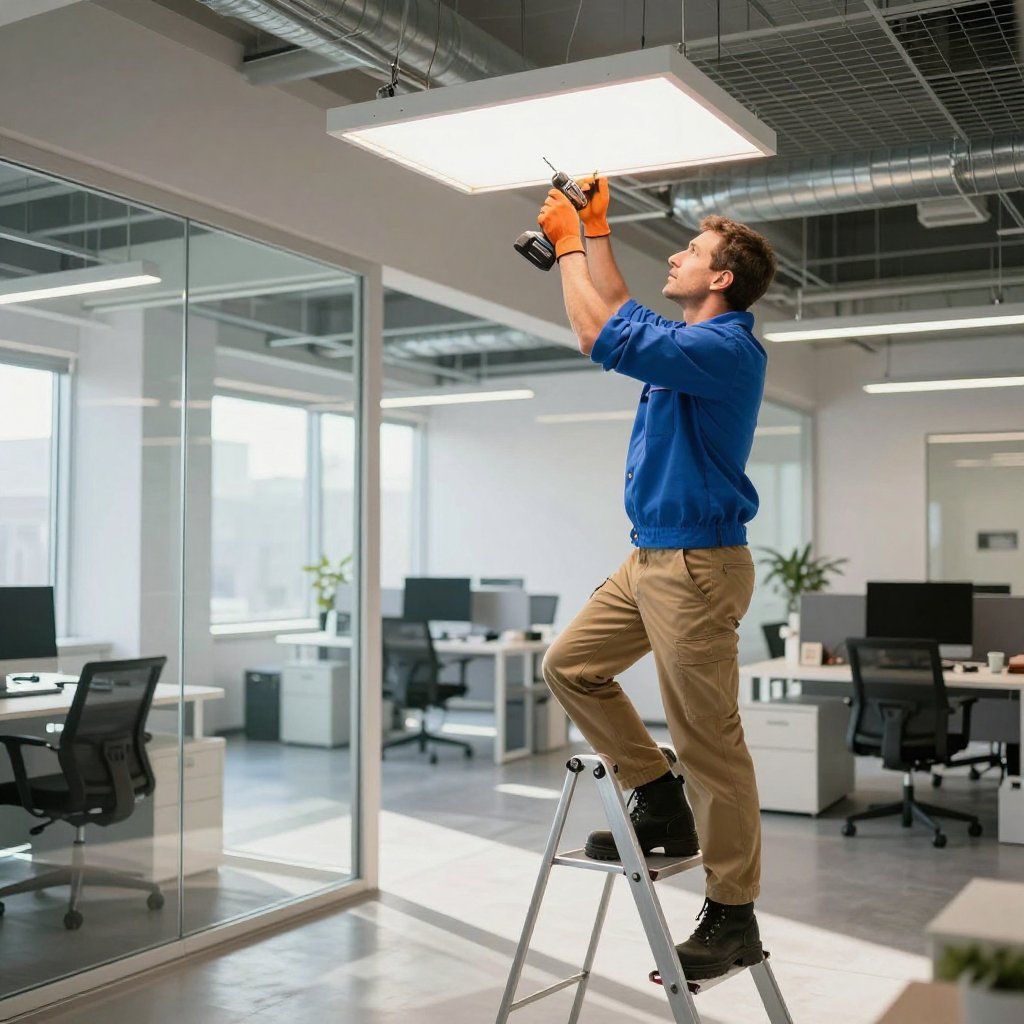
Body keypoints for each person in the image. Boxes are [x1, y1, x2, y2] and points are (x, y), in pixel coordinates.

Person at [537, 176, 777, 981]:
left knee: (710, 741)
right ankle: (659, 798)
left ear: (722, 279)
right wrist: (595, 230)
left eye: (693, 252)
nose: (675, 255)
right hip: (647, 555)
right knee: (569, 665)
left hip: (697, 566)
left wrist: (568, 241)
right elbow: (616, 308)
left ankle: (733, 913)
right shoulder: (689, 339)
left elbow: (594, 333)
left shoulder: (725, 348)